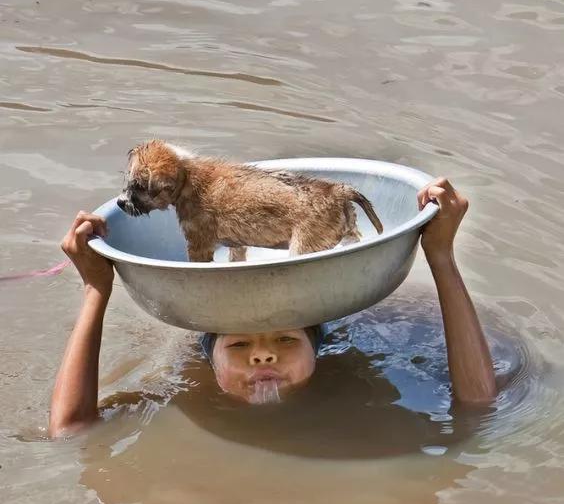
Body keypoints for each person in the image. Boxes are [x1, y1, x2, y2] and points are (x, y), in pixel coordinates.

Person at [49, 178, 497, 438]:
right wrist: (96, 291)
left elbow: (478, 405)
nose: (263, 355)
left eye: (285, 339)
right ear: (210, 360)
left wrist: (441, 256)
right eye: (239, 344)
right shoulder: (184, 390)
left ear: (319, 347)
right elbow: (70, 429)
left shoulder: (356, 374)